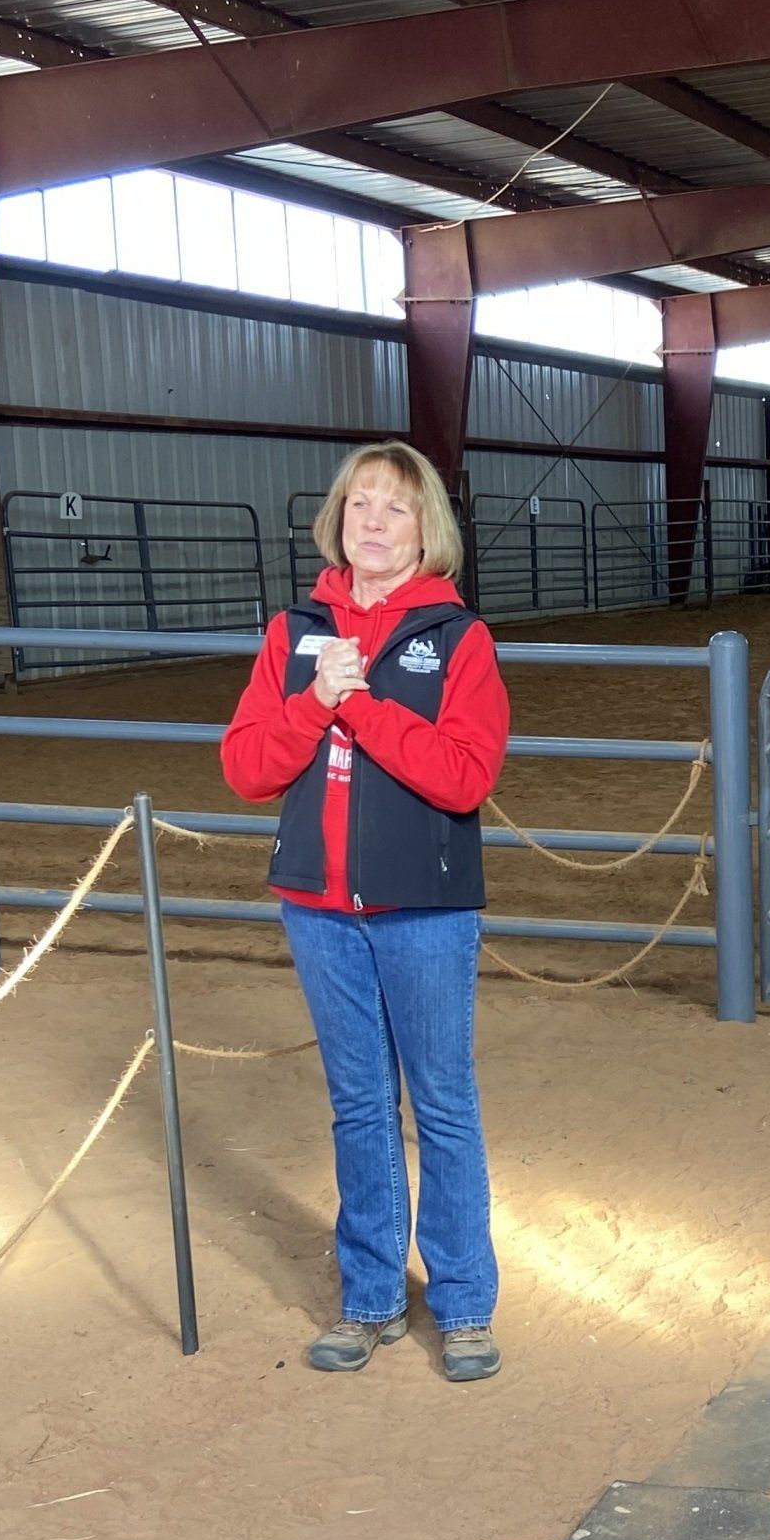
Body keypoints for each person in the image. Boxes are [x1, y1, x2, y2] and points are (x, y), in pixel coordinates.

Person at [222, 442, 510, 1382]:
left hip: (422, 907)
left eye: (394, 508)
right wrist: (314, 700)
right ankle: (373, 1298)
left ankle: (464, 1306)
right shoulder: (292, 632)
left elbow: (466, 777)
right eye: (359, 506)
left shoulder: (459, 641)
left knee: (444, 1104)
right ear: (338, 521)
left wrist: (361, 708)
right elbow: (247, 769)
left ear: (427, 530)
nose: (373, 522)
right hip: (317, 906)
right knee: (357, 1106)